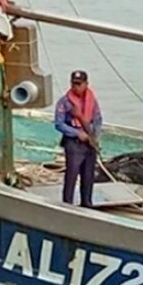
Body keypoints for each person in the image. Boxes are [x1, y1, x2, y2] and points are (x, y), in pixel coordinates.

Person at [54, 70, 103, 209]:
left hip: (89, 142)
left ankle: (87, 203)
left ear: (86, 84)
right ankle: (67, 204)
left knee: (88, 176)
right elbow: (59, 124)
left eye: (79, 84)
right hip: (74, 143)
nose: (76, 87)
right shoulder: (65, 102)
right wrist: (76, 133)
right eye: (74, 84)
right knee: (72, 175)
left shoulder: (92, 100)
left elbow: (98, 119)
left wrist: (96, 135)